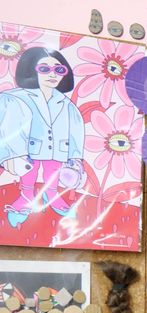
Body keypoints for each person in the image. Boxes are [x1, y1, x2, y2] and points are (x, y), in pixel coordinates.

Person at [0, 47, 85, 227]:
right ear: (31, 69)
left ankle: (52, 195)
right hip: (29, 148)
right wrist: (9, 155)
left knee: (53, 171)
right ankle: (25, 197)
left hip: (57, 149)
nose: (52, 74)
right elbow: (6, 120)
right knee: (29, 172)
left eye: (59, 69)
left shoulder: (66, 104)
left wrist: (75, 159)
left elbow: (76, 130)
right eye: (44, 69)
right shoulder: (16, 97)